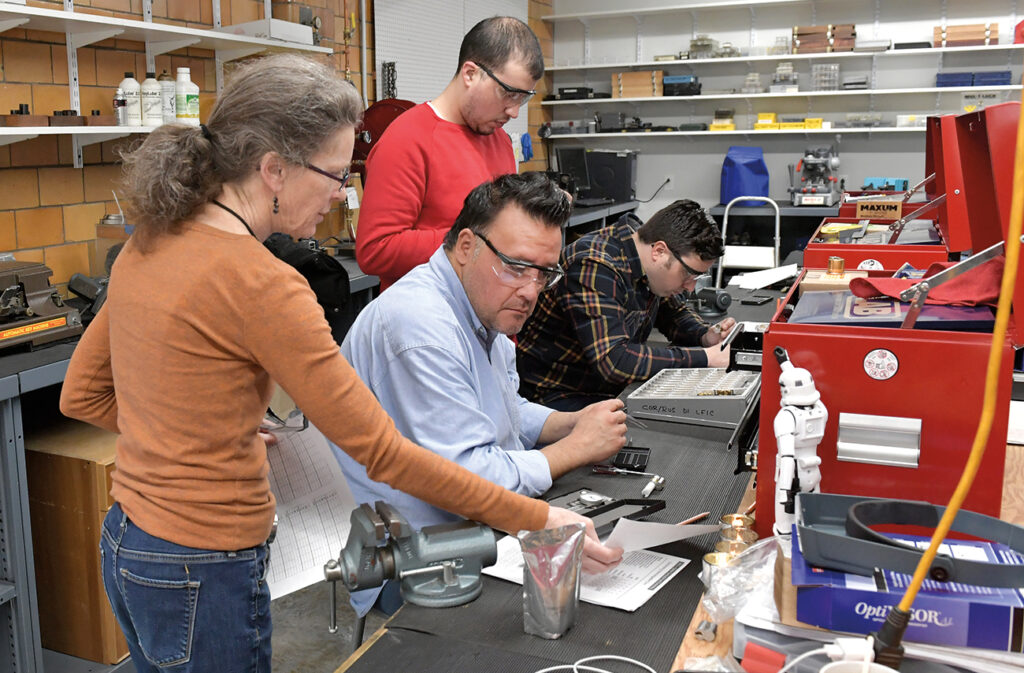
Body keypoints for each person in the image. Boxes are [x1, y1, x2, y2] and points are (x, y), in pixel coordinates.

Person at [58, 54, 619, 673]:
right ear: (273, 169)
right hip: (206, 563)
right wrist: (539, 517)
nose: (339, 194)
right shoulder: (263, 283)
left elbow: (81, 395)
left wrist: (194, 433)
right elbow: (385, 452)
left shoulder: (150, 239)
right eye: (333, 173)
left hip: (130, 544)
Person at [334, 172, 629, 616]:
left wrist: (568, 423)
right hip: (418, 559)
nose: (531, 291)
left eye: (543, 273)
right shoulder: (421, 325)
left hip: (477, 528)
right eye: (515, 266)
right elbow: (468, 474)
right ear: (468, 245)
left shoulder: (481, 303)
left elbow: (502, 409)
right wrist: (573, 448)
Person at [355, 16, 543, 290]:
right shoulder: (407, 138)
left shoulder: (500, 140)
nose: (514, 112)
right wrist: (476, 242)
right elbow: (375, 250)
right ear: (470, 74)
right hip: (428, 322)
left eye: (523, 98)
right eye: (507, 93)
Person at [516, 200, 736, 412]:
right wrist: (707, 358)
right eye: (688, 274)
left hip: (604, 389)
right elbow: (615, 361)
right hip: (556, 396)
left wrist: (705, 335)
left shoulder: (644, 255)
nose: (690, 287)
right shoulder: (594, 265)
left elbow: (674, 314)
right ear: (659, 251)